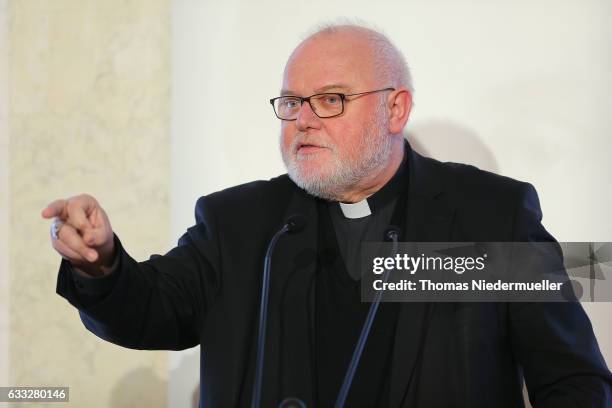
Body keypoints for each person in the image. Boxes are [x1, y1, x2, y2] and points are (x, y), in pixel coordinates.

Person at [42, 24, 611, 407]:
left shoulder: (490, 213)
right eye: (291, 102)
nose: (303, 120)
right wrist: (103, 263)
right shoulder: (240, 221)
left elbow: (572, 380)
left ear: (396, 108)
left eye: (331, 99)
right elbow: (151, 311)